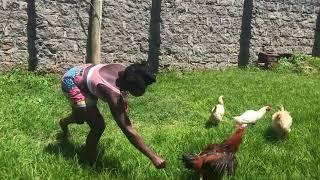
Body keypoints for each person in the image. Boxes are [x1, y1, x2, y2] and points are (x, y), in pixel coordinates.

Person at [59, 62, 166, 169]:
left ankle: (68, 121)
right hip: (72, 83)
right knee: (97, 126)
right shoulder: (112, 95)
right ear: (131, 85)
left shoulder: (125, 70)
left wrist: (124, 99)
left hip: (82, 71)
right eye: (141, 87)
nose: (143, 90)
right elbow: (127, 129)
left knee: (83, 117)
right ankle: (89, 161)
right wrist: (153, 157)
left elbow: (122, 88)